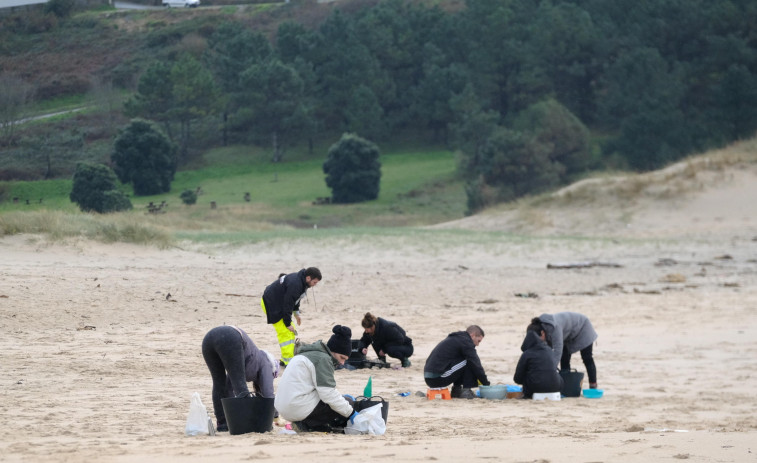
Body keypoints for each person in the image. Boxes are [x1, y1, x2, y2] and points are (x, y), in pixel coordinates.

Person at [274, 325, 358, 432]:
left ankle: (311, 424)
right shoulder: (323, 359)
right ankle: (305, 425)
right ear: (333, 350)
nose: (342, 363)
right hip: (295, 408)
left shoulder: (308, 354)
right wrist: (351, 413)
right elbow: (328, 394)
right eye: (342, 358)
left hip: (283, 407)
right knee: (347, 402)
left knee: (338, 401)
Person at [201, 325, 279, 432]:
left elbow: (228, 389)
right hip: (231, 337)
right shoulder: (267, 364)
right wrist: (274, 415)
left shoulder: (255, 357)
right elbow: (268, 393)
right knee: (240, 386)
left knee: (219, 383)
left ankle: (222, 423)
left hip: (208, 339)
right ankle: (246, 422)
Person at [261, 267, 322, 367]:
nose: (315, 285)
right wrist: (287, 323)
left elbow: (295, 300)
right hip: (271, 304)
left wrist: (296, 314)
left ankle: (285, 359)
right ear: (308, 278)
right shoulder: (296, 285)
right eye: (314, 282)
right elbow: (288, 304)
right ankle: (288, 362)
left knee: (290, 332)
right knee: (287, 332)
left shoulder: (301, 281)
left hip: (277, 302)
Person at [531, 312, 598, 388]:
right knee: (564, 358)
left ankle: (593, 385)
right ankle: (565, 385)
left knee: (587, 358)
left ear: (542, 333)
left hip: (583, 326)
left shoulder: (555, 328)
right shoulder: (540, 326)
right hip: (568, 333)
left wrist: (550, 371)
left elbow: (558, 351)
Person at [423, 325, 490, 399]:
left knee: (464, 361)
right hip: (437, 378)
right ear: (472, 335)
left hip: (429, 377)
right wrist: (486, 384)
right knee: (469, 361)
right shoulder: (465, 342)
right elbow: (476, 364)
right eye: (478, 341)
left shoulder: (457, 339)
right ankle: (466, 390)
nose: (477, 344)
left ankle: (457, 390)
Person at [513, 328, 564, 398]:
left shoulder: (527, 354)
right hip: (556, 386)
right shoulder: (549, 350)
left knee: (527, 376)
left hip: (536, 387)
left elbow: (517, 378)